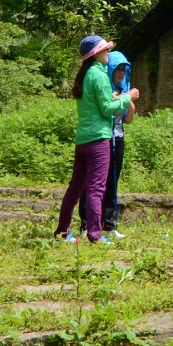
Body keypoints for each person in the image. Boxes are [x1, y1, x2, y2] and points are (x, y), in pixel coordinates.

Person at [58, 34, 138, 244]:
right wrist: (127, 97)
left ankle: (62, 232)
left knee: (75, 188)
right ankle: (95, 234)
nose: (108, 53)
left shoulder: (84, 75)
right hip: (98, 139)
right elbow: (106, 109)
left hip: (82, 139)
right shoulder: (99, 75)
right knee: (96, 188)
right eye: (105, 50)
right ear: (96, 54)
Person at [100, 49, 135, 240]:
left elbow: (129, 119)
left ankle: (110, 225)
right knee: (98, 183)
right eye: (118, 69)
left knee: (113, 182)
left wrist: (127, 99)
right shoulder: (104, 88)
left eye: (124, 69)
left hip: (118, 138)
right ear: (110, 69)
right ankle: (90, 224)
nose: (121, 73)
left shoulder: (124, 90)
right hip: (103, 138)